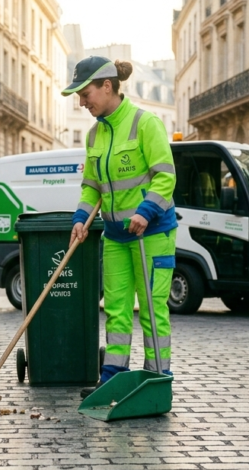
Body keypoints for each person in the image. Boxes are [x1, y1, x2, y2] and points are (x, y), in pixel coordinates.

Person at [62, 56, 177, 398]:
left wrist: (146, 211)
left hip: (151, 233)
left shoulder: (145, 123)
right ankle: (113, 377)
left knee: (153, 309)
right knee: (115, 309)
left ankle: (157, 378)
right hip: (115, 236)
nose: (82, 103)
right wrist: (80, 219)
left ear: (107, 86)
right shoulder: (94, 135)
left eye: (85, 95)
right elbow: (91, 187)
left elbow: (165, 176)